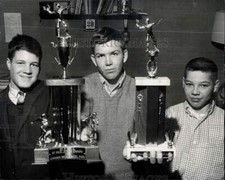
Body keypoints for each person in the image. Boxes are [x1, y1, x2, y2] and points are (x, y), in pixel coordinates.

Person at [80, 27, 136, 179]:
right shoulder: (83, 87)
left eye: (114, 54)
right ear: (94, 59)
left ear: (124, 55)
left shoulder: (139, 89)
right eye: (101, 56)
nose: (108, 62)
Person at [0, 34, 50, 179]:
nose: (28, 71)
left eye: (33, 64)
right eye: (21, 63)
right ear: (9, 64)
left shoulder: (51, 93)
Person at [165, 57, 224, 179]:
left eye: (203, 85)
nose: (195, 92)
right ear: (183, 82)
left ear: (215, 86)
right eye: (189, 84)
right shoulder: (170, 114)